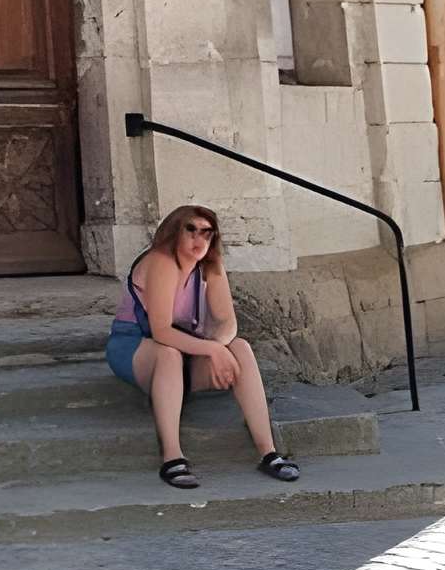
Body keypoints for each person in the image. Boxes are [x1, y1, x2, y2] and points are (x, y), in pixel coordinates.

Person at [105, 202, 300, 489]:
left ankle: (268, 453)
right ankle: (172, 457)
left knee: (241, 348)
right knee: (169, 355)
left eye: (207, 233)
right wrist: (212, 350)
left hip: (186, 347)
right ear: (174, 232)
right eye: (191, 230)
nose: (199, 240)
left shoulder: (210, 264)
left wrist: (218, 346)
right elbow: (161, 331)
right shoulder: (161, 261)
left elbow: (227, 324)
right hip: (134, 345)